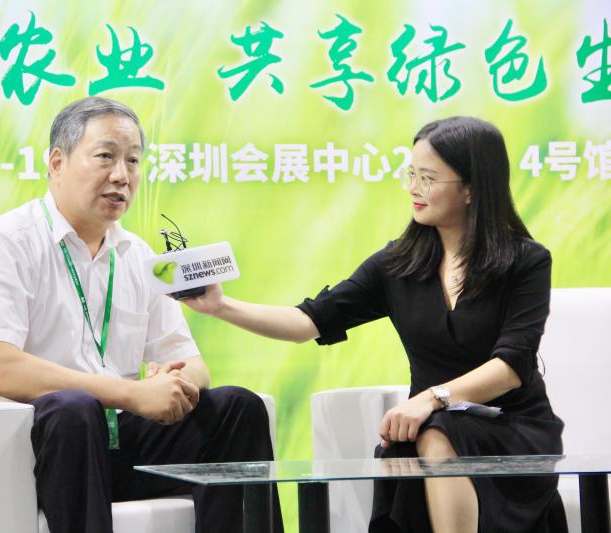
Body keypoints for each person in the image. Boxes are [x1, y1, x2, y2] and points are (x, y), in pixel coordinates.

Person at [183, 116, 567, 532]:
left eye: (428, 178)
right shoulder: (398, 263)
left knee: (437, 433)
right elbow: (306, 322)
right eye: (411, 174)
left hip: (511, 427)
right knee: (424, 438)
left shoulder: (526, 261)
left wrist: (432, 399)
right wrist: (220, 306)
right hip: (425, 428)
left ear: (472, 188)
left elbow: (512, 366)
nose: (413, 188)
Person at [0, 96, 283, 533]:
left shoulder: (138, 255)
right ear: (57, 162)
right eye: (105, 156)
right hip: (25, 448)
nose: (122, 176)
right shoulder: (4, 242)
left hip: (112, 440)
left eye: (133, 161)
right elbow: (0, 369)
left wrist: (173, 380)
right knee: (74, 409)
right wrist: (131, 394)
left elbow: (193, 362)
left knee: (238, 407)